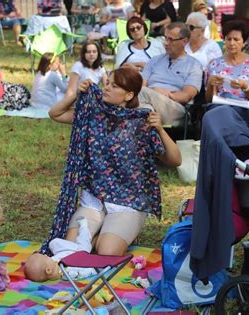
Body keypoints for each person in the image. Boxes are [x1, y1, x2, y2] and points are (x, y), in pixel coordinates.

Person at [43, 67, 181, 257]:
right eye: (107, 83)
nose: (106, 87)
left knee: (106, 252)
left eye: (114, 86)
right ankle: (101, 229)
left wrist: (161, 130)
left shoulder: (142, 123)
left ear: (128, 94)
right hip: (94, 198)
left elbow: (175, 160)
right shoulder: (93, 114)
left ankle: (109, 232)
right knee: (70, 250)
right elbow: (55, 114)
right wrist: (76, 94)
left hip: (128, 201)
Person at [139, 22, 203, 127]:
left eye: (171, 39)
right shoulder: (155, 60)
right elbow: (141, 85)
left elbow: (186, 96)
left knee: (139, 93)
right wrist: (152, 93)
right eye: (165, 38)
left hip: (175, 108)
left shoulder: (194, 65)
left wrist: (162, 93)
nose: (166, 43)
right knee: (146, 109)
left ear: (184, 41)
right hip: (149, 101)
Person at [205, 20, 249, 124]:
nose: (232, 43)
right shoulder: (215, 64)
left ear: (244, 42)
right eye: (228, 39)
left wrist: (244, 87)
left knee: (221, 113)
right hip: (219, 107)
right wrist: (211, 84)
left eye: (236, 39)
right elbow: (210, 100)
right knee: (219, 110)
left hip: (247, 109)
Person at [24, 217, 95, 282]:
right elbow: (88, 271)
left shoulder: (52, 264)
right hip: (81, 254)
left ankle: (76, 246)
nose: (46, 255)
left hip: (67, 251)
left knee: (53, 242)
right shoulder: (67, 272)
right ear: (48, 270)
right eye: (45, 257)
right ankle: (84, 226)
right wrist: (97, 268)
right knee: (83, 239)